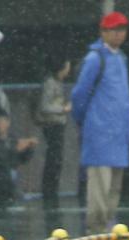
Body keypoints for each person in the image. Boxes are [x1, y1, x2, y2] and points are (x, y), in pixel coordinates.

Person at [71, 11, 129, 234]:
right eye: (114, 30)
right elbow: (79, 95)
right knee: (99, 185)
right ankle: (96, 227)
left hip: (119, 133)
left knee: (115, 186)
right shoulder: (95, 58)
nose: (119, 34)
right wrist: (85, 122)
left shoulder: (121, 58)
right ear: (103, 32)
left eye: (122, 30)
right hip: (99, 131)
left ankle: (109, 223)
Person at [0, 109, 36, 207]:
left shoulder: (13, 139)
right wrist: (15, 150)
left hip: (12, 182)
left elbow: (22, 160)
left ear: (8, 123)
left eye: (1, 121)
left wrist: (29, 148)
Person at [36, 56, 71, 206]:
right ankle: (49, 191)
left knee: (56, 159)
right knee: (53, 158)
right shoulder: (50, 83)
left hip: (58, 125)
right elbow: (45, 106)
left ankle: (52, 189)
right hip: (52, 125)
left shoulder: (58, 83)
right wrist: (62, 109)